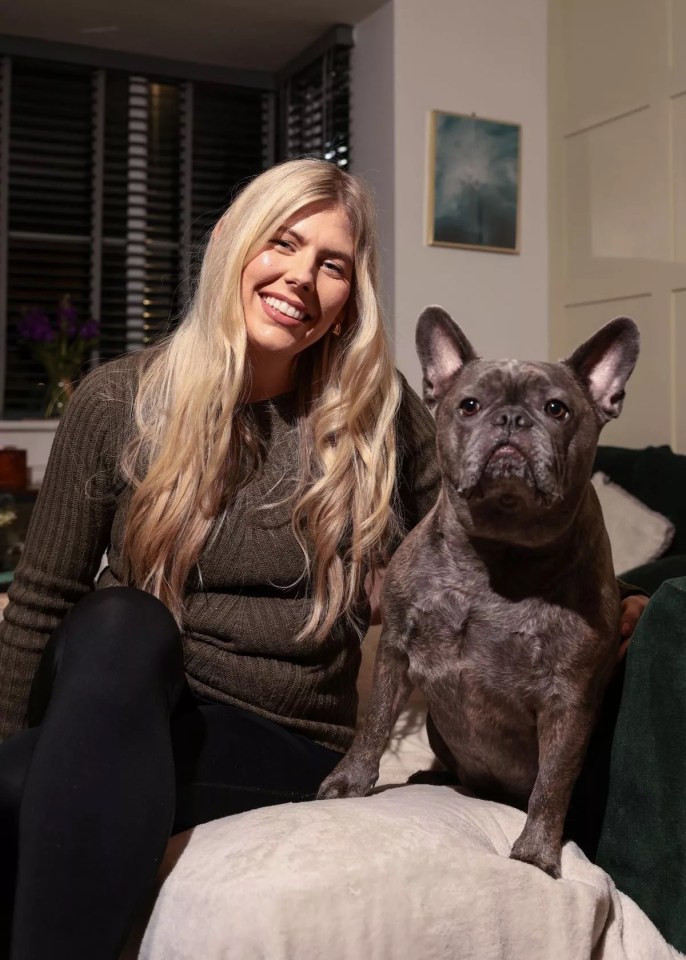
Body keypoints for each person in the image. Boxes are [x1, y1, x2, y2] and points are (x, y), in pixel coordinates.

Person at [0, 157, 647, 960]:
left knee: (23, 788)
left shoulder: (378, 415)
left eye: (332, 264)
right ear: (234, 246)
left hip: (278, 734)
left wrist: (615, 594)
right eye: (282, 243)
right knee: (116, 619)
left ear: (350, 295)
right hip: (127, 691)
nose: (300, 277)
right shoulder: (116, 401)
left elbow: (489, 516)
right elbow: (39, 602)